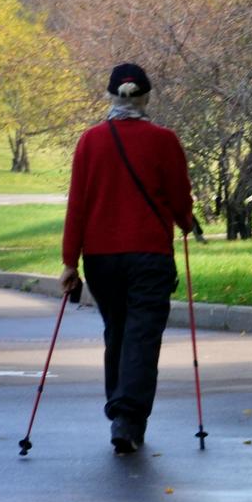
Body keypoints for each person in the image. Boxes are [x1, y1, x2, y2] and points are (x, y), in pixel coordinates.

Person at [60, 62, 195, 455]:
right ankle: (127, 417)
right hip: (150, 255)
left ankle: (120, 409)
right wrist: (186, 223)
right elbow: (179, 197)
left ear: (110, 97)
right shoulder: (164, 141)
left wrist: (70, 262)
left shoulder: (90, 142)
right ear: (146, 97)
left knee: (117, 331)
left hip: (101, 260)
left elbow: (77, 206)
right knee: (141, 335)